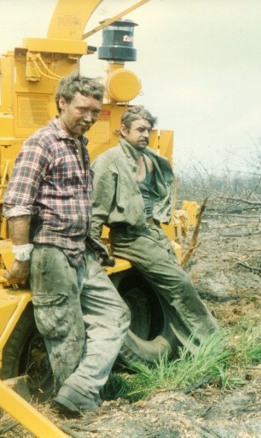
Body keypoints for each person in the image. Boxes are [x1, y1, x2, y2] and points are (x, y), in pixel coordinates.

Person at [3, 72, 130, 417]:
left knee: (115, 315)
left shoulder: (79, 146)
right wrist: (22, 257)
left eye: (96, 112)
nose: (89, 118)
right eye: (83, 109)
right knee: (65, 334)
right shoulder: (40, 143)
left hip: (80, 250)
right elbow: (17, 202)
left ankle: (79, 390)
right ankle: (73, 413)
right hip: (50, 253)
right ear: (62, 102)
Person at [91, 106, 219, 354]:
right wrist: (93, 249)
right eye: (140, 129)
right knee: (179, 283)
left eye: (148, 130)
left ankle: (186, 349)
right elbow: (95, 209)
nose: (145, 134)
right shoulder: (109, 162)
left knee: (170, 288)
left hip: (154, 233)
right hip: (130, 238)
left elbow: (162, 193)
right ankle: (213, 345)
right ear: (123, 130)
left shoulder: (150, 159)